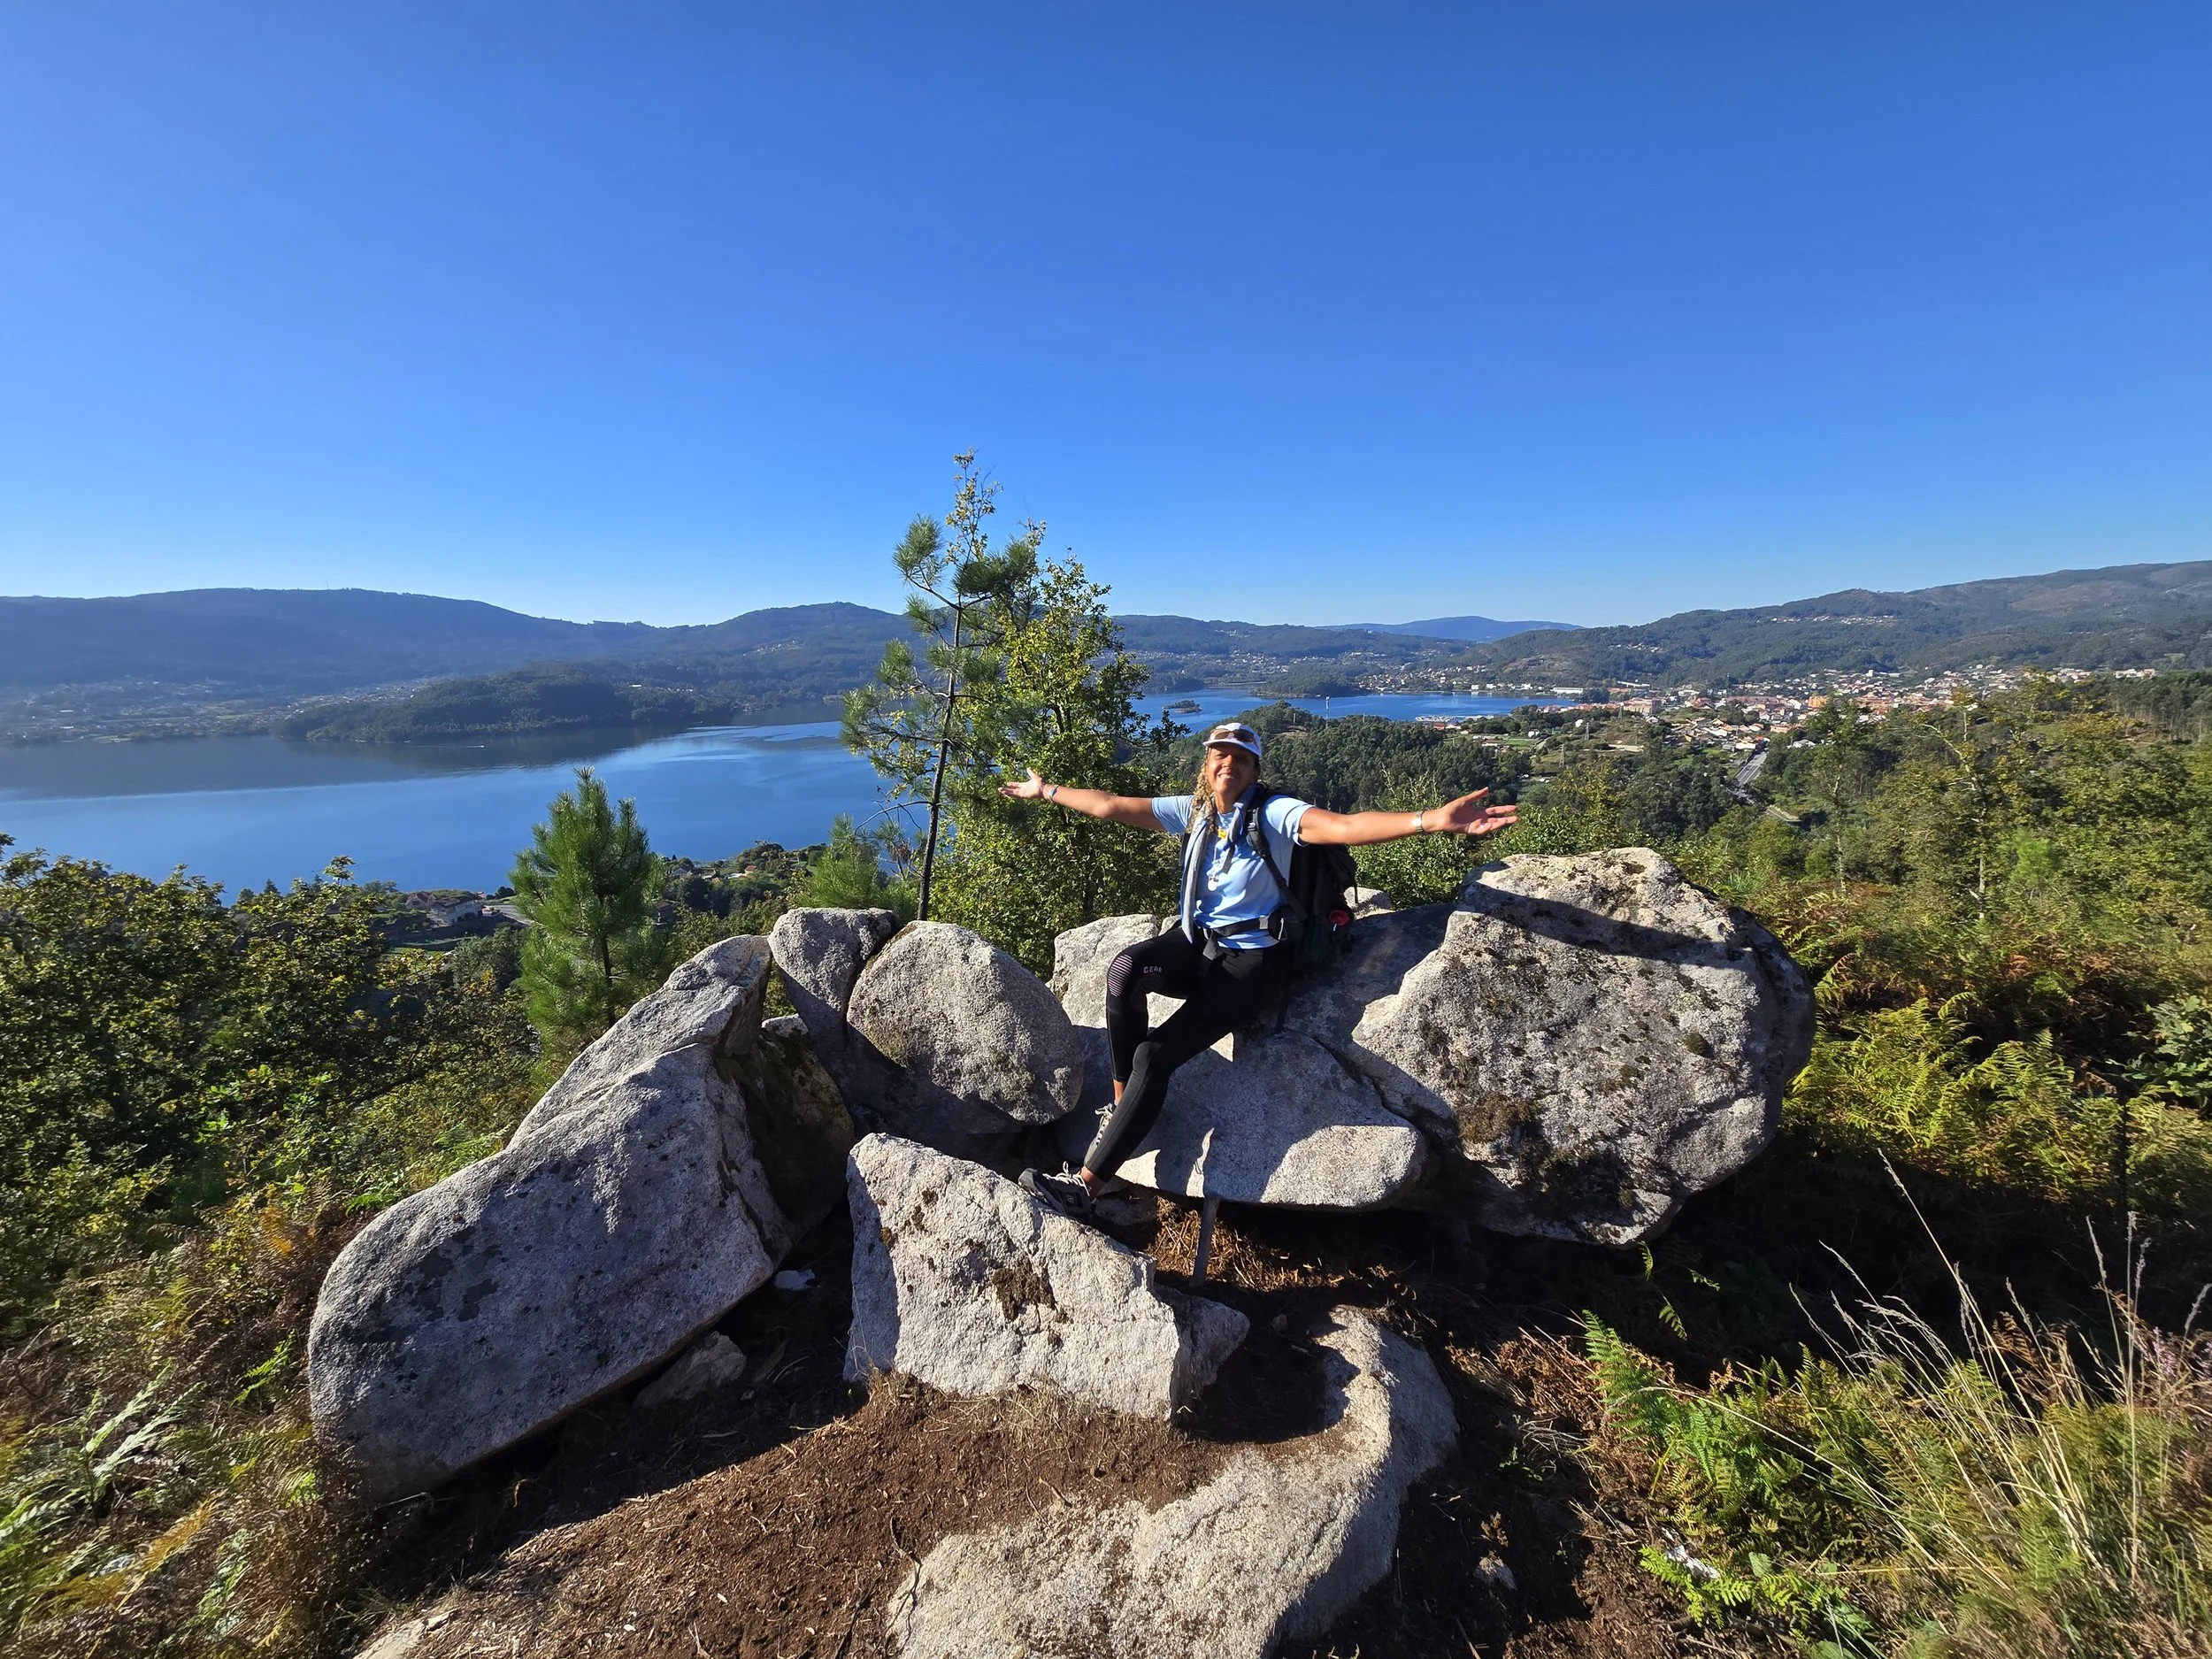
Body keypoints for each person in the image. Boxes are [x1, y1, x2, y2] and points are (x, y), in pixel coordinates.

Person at [1000, 718, 1517, 1221]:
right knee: (1125, 971)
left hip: (1253, 960)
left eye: (1243, 759)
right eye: (1221, 755)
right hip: (1198, 943)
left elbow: (1344, 826)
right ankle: (1123, 1106)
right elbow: (1111, 805)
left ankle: (1086, 1187)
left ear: (1254, 770)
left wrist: (1430, 820)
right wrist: (1047, 791)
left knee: (1156, 1055)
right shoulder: (1196, 812)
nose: (1230, 764)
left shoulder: (1273, 814)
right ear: (1206, 764)